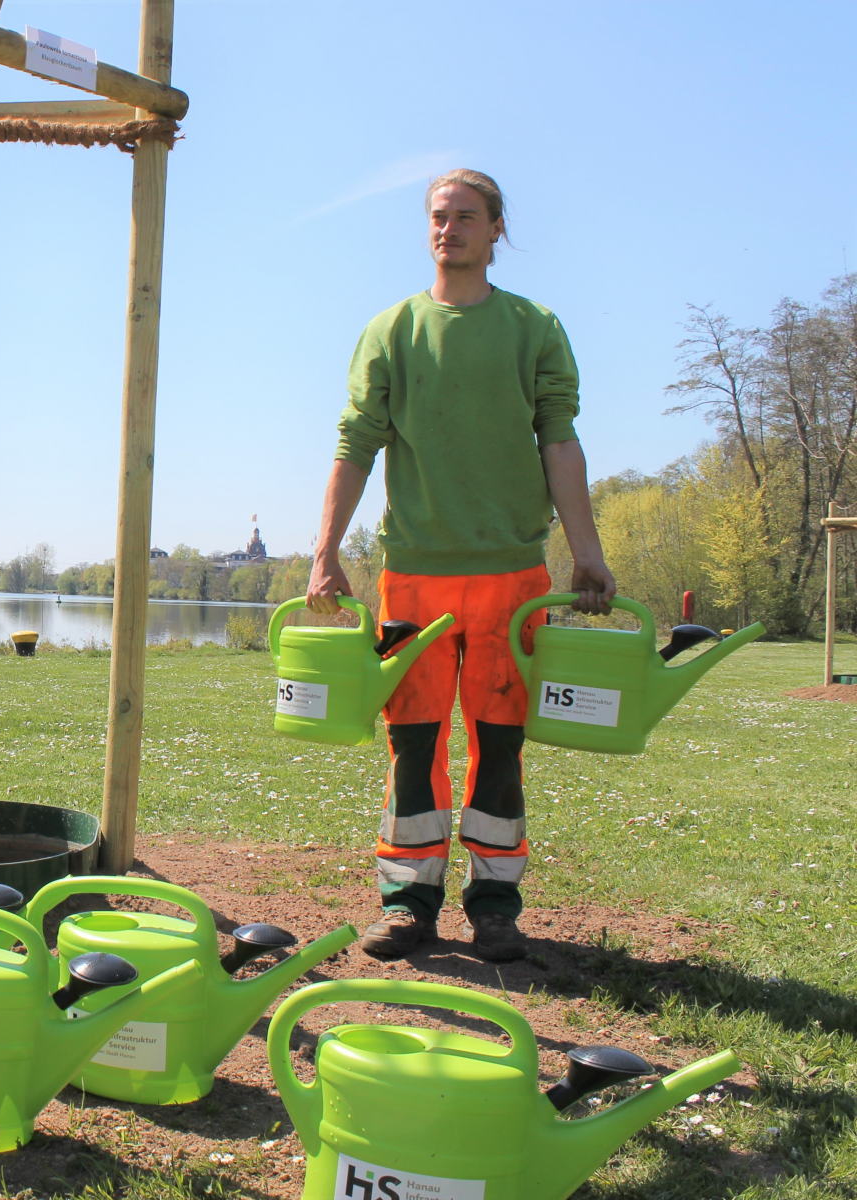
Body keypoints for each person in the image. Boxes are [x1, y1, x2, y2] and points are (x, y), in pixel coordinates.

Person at [306, 169, 614, 963]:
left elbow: (560, 441)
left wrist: (586, 553)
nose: (450, 229)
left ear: (497, 229)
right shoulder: (392, 331)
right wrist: (325, 552)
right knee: (412, 744)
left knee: (500, 744)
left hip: (512, 578)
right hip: (413, 576)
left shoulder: (533, 327)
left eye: (466, 217)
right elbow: (355, 445)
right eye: (439, 217)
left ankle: (495, 905)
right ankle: (408, 903)